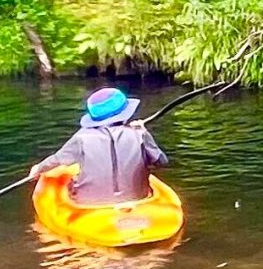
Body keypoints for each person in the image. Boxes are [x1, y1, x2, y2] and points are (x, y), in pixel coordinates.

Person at [31, 87, 169, 207]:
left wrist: (38, 168)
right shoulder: (140, 134)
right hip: (138, 199)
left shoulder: (80, 138)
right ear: (125, 113)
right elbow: (161, 162)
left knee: (69, 181)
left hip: (88, 205)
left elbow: (57, 160)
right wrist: (144, 132)